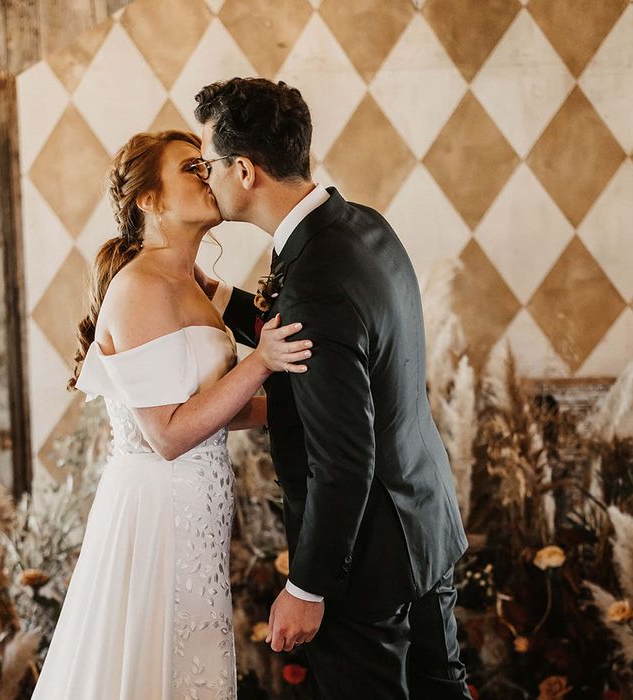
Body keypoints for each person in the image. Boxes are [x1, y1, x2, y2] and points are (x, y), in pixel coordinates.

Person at [192, 77, 471, 699]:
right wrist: (214, 294)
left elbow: (345, 460)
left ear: (243, 170)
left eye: (208, 163)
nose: (204, 178)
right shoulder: (362, 227)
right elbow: (312, 335)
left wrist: (307, 586)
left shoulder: (315, 277)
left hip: (367, 560)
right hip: (424, 524)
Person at [32, 130, 311, 700]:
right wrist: (260, 364)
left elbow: (204, 406)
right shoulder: (138, 287)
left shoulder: (189, 286)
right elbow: (166, 433)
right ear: (150, 200)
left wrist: (292, 413)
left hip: (196, 510)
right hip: (154, 512)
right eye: (191, 168)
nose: (207, 176)